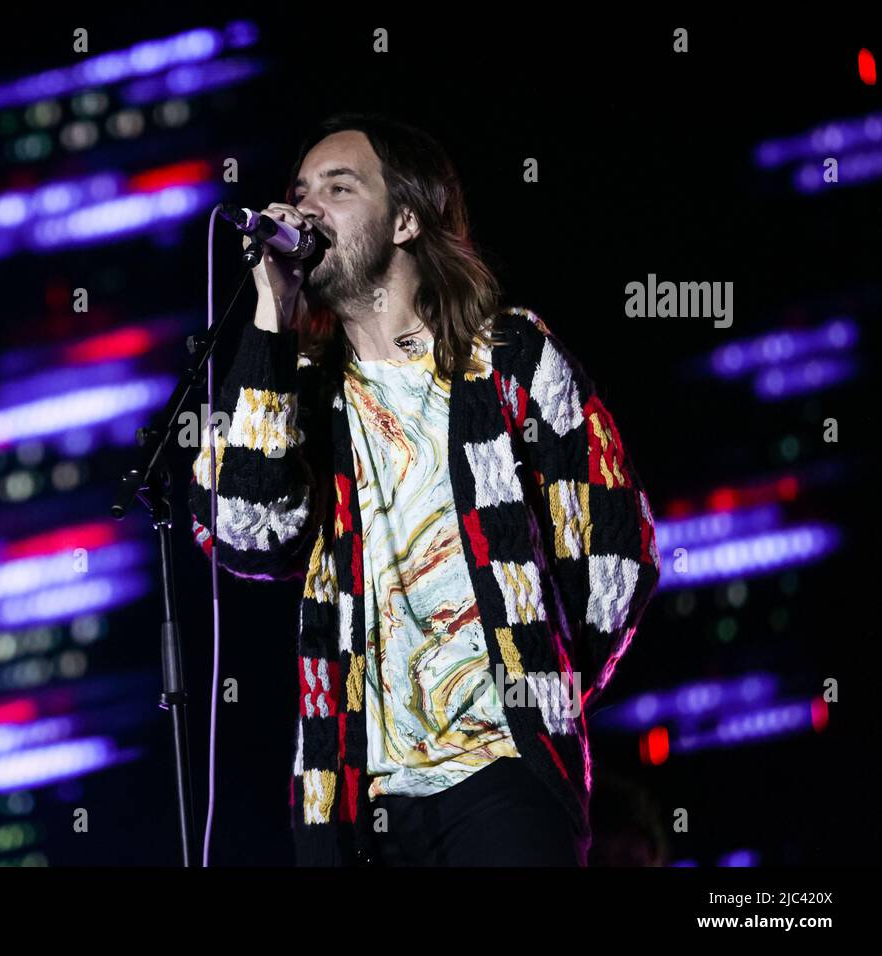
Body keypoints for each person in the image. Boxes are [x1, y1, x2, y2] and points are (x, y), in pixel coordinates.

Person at [189, 112, 661, 866]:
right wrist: (271, 319)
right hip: (349, 797)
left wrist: (537, 678)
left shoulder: (507, 357)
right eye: (299, 190)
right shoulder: (301, 394)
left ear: (406, 218)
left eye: (338, 188)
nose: (305, 209)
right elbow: (243, 529)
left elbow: (617, 555)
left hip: (502, 773)